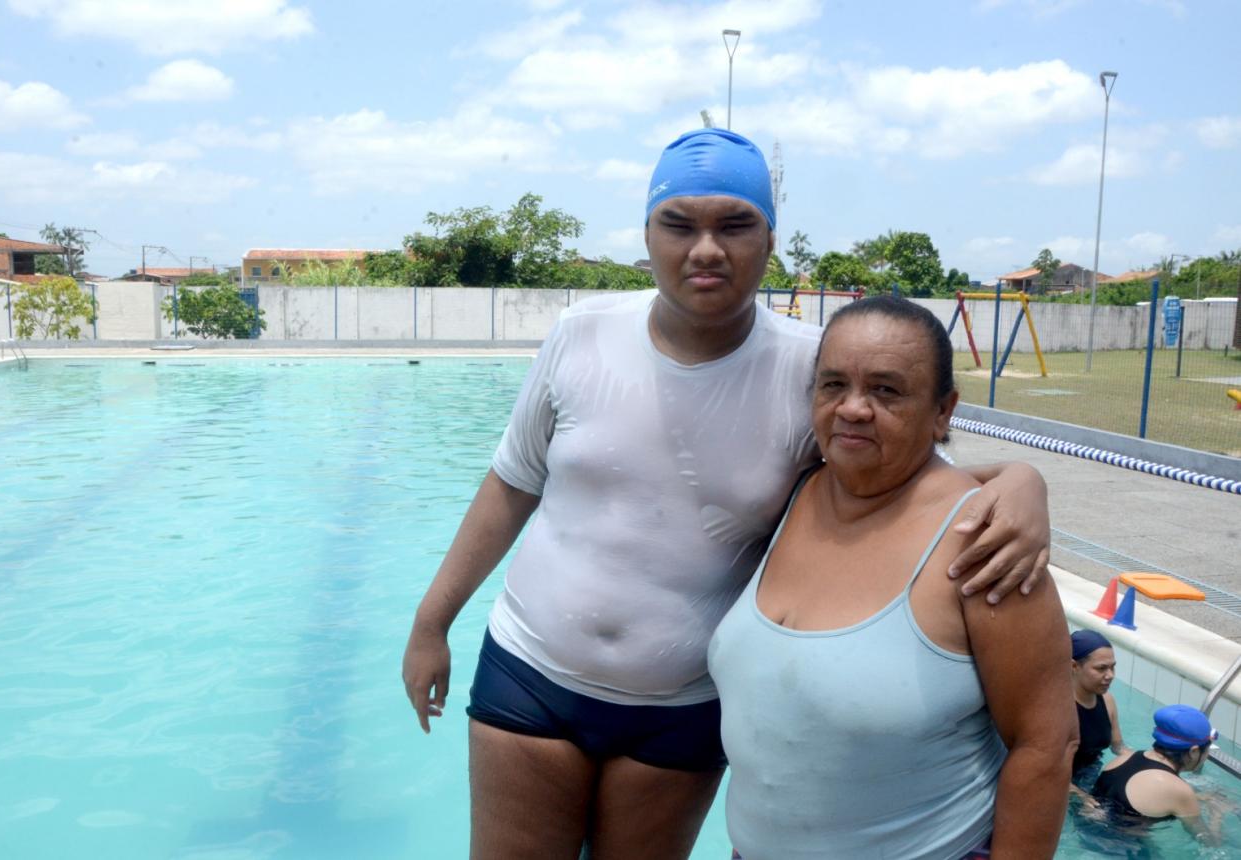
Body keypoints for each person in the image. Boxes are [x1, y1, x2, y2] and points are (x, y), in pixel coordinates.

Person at [402, 129, 1053, 859]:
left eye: (734, 225)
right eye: (678, 224)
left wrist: (1022, 482)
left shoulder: (809, 368)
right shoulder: (581, 334)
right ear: (647, 237)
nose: (705, 249)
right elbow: (514, 480)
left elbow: (908, 472)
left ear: (769, 241)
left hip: (682, 706)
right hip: (531, 668)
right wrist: (433, 621)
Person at [708, 296, 1076, 859]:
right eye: (834, 385)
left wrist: (1023, 477)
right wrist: (1020, 471)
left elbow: (1046, 746)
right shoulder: (794, 492)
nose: (854, 408)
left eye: (886, 390)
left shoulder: (985, 544)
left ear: (943, 411)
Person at [1092, 704, 1227, 846]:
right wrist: (1217, 813)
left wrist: (1199, 797)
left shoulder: (1126, 757)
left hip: (1091, 831)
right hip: (1121, 848)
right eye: (1207, 750)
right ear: (1193, 752)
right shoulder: (1180, 790)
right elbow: (1210, 843)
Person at [1070, 629, 1127, 791]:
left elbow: (1118, 747)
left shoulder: (1107, 700)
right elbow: (1046, 769)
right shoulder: (1059, 709)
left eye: (1112, 668)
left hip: (1089, 774)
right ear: (1074, 666)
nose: (1110, 675)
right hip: (1060, 783)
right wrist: (1082, 798)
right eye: (1101, 668)